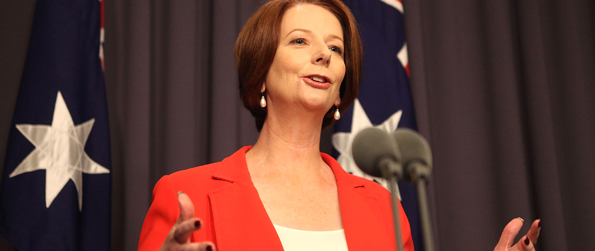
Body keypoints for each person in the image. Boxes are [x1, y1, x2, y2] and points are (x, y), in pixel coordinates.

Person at [138, 0, 541, 250]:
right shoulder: (186, 195)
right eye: (300, 41)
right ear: (259, 73)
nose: (323, 55)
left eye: (335, 48)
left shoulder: (382, 207)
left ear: (339, 91)